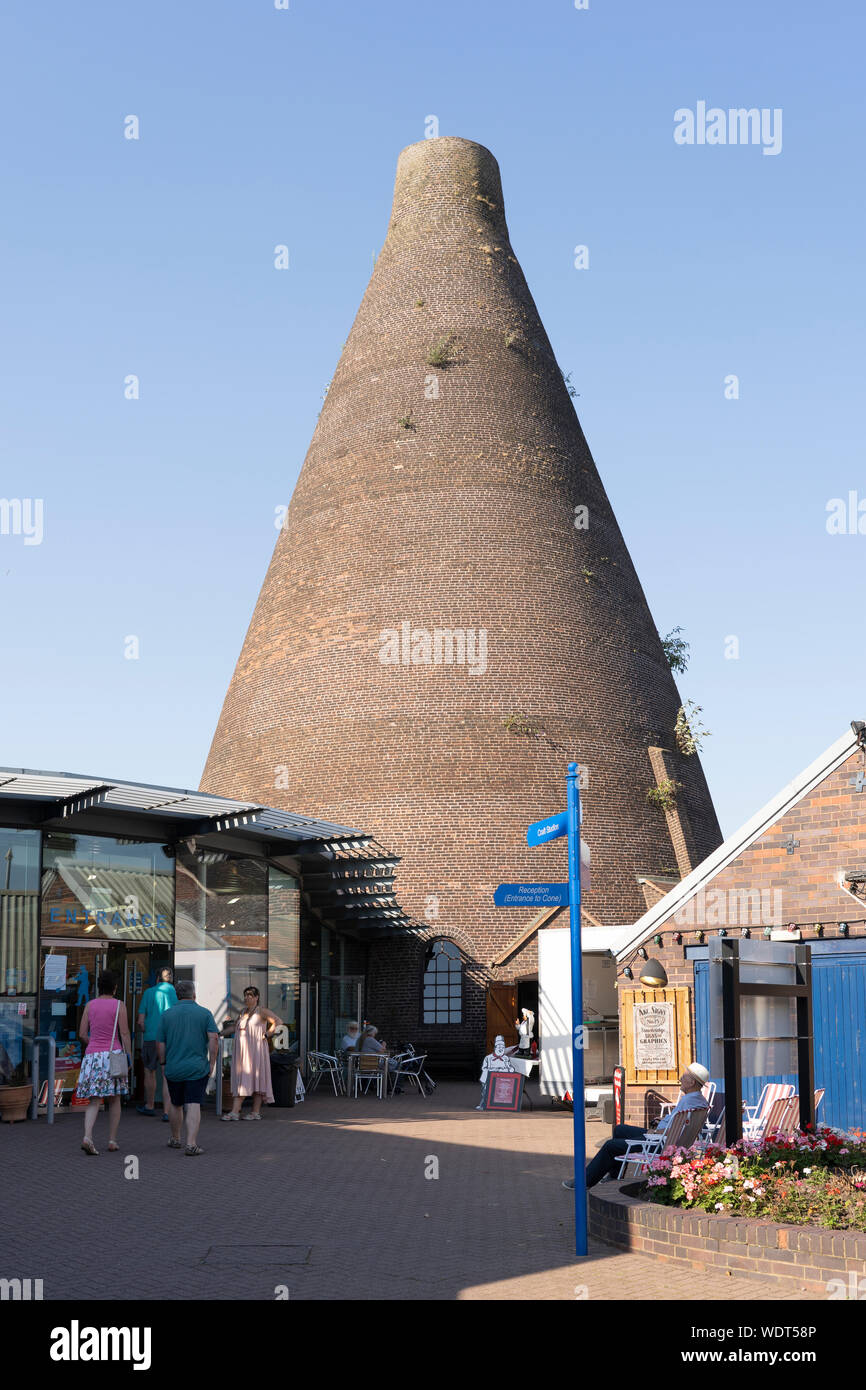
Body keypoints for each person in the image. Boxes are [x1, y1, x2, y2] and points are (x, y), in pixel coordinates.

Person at [562, 1063, 710, 1189]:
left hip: (660, 1143)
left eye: (684, 1077)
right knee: (620, 1130)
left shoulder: (689, 1102)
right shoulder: (698, 1101)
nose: (680, 1079)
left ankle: (584, 1182)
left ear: (691, 1083)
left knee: (610, 1145)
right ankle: (614, 1175)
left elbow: (676, 1130)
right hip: (664, 1138)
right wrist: (662, 1122)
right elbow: (680, 1125)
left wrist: (657, 1131)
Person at [156, 979, 219, 1156]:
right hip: (197, 1068)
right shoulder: (204, 1013)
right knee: (193, 1103)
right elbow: (213, 1039)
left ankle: (176, 1138)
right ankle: (191, 1144)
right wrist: (212, 1062)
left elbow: (160, 1043)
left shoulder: (166, 1015)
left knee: (176, 1104)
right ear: (194, 994)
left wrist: (163, 1063)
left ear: (177, 996)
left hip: (174, 1067)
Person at [76, 970, 131, 1156]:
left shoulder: (89, 1005)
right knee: (115, 1098)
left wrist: (93, 1044)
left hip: (92, 1057)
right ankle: (112, 1140)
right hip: (113, 1055)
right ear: (115, 988)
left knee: (94, 1099)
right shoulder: (119, 1006)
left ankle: (87, 1136)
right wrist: (128, 1055)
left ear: (99, 987)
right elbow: (124, 1033)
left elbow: (82, 1033)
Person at [221, 986, 283, 1121]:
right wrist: (219, 1033)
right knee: (245, 1078)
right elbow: (234, 1027)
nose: (247, 998)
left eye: (250, 995)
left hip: (256, 1050)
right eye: (245, 995)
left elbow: (278, 1021)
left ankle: (237, 1111)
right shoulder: (243, 1012)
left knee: (254, 1079)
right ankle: (252, 1112)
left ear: (256, 997)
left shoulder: (261, 1011)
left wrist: (268, 1033)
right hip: (242, 1051)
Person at [136, 967, 178, 1119]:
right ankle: (167, 1112)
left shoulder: (149, 993)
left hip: (151, 1037)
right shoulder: (176, 993)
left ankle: (150, 1105)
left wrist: (146, 1029)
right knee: (167, 1074)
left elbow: (141, 1021)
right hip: (170, 1038)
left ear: (157, 979)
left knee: (149, 1071)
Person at [476, 1034, 516, 1109]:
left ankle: (502, 1104)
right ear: (495, 1048)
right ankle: (483, 1105)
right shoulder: (488, 1058)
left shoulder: (505, 1058)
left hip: (501, 1080)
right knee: (486, 1092)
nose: (501, 1049)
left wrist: (510, 1069)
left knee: (503, 1091)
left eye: (502, 1047)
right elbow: (484, 1068)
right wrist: (494, 1071)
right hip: (488, 1079)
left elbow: (509, 1068)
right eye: (499, 1047)